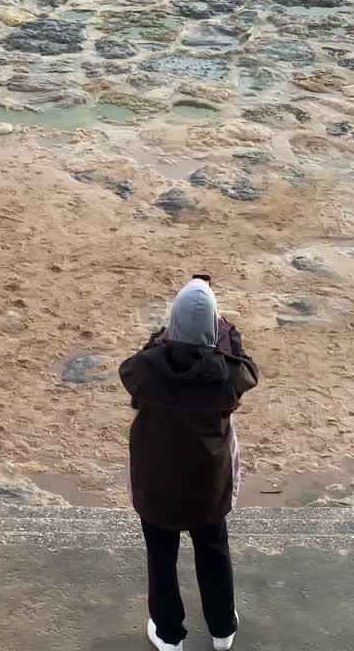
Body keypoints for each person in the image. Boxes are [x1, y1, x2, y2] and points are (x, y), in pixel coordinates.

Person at [119, 277, 260, 651]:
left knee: (161, 554)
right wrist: (228, 332)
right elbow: (248, 369)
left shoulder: (146, 371)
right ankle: (222, 629)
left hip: (156, 481)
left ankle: (168, 635)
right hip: (207, 483)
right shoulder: (226, 377)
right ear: (214, 330)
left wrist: (162, 339)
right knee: (213, 548)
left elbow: (131, 365)